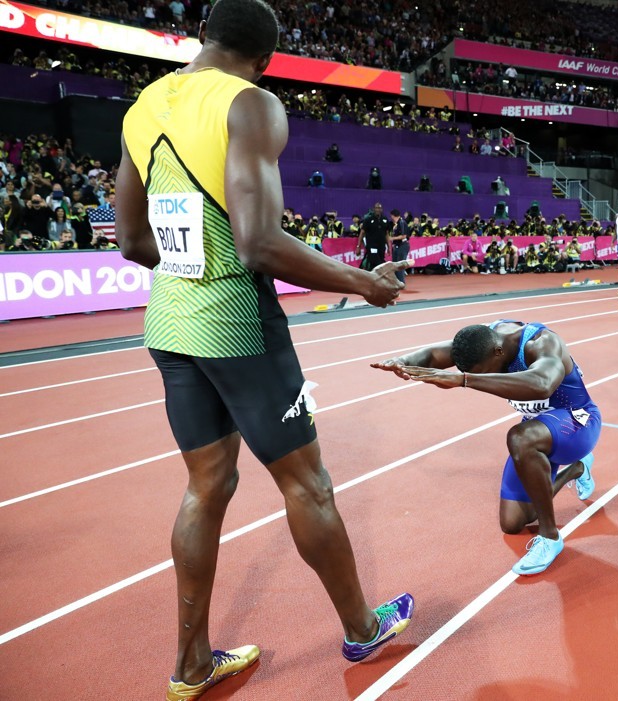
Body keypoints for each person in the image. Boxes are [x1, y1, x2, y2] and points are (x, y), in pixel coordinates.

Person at [114, 2, 413, 698]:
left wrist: (191, 269)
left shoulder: (142, 106)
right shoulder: (250, 104)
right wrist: (360, 281)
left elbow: (127, 238)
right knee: (308, 482)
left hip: (170, 323)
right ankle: (363, 626)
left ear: (205, 39)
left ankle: (190, 666)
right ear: (268, 59)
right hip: (239, 323)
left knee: (205, 486)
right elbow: (258, 243)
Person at [372, 321, 601, 575]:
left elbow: (542, 383)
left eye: (484, 371)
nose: (484, 376)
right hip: (541, 427)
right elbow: (436, 354)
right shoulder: (485, 340)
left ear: (498, 353)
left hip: (578, 422)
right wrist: (401, 361)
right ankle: (577, 469)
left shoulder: (542, 343)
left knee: (519, 437)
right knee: (513, 522)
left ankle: (550, 537)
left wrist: (465, 380)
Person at [357, 202, 389, 270]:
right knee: (374, 262)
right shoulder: (368, 219)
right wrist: (358, 246)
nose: (378, 209)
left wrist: (389, 246)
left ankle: (376, 279)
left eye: (379, 208)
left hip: (381, 246)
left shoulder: (385, 219)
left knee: (381, 262)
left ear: (382, 209)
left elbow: (386, 234)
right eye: (376, 208)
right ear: (374, 209)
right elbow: (362, 233)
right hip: (372, 246)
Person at [389, 208, 410, 282]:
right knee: (395, 265)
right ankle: (396, 281)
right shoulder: (397, 224)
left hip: (403, 246)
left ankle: (401, 283)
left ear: (392, 215)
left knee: (400, 265)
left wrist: (392, 238)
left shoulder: (402, 222)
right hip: (397, 246)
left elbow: (404, 235)